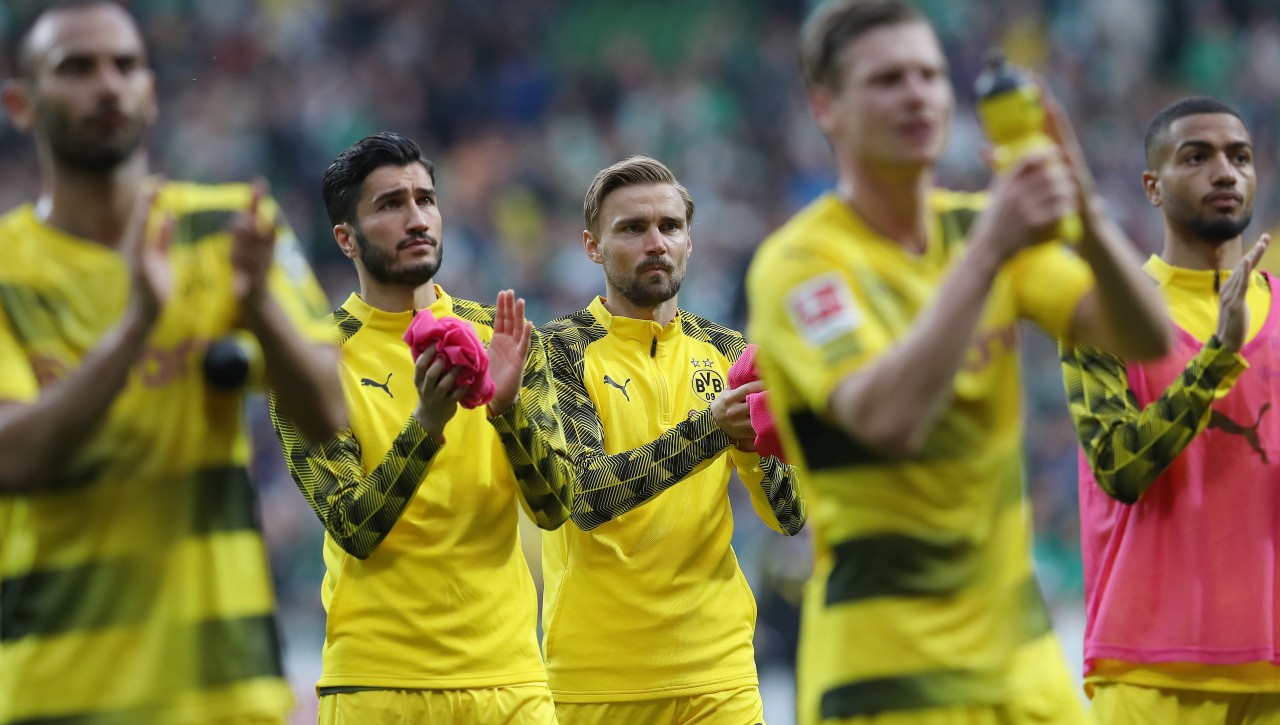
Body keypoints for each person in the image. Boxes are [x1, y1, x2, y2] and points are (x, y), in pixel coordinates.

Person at [744, 1, 1171, 723]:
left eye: (931, 75)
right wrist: (990, 254)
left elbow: (1147, 336)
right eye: (886, 80)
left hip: (1025, 664)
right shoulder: (801, 262)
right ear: (827, 108)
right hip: (888, 674)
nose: (917, 94)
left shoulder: (979, 226)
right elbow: (887, 417)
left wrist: (1087, 208)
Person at [0, 1, 345, 723]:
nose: (108, 85)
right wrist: (136, 328)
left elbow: (328, 416)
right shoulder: (5, 269)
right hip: (58, 690)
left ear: (151, 93)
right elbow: (13, 456)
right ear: (20, 103)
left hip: (225, 688)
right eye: (77, 67)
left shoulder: (232, 225)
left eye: (125, 66)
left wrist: (260, 310)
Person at [270, 131, 571, 724]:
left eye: (425, 200)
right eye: (390, 204)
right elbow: (355, 525)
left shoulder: (503, 338)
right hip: (379, 685)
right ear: (345, 238)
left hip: (509, 682)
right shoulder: (310, 359)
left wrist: (508, 413)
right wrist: (427, 424)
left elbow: (555, 505)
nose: (417, 219)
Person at [538, 154, 807, 725]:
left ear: (690, 241)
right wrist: (713, 429)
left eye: (670, 227)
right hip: (599, 682)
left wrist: (763, 442)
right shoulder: (555, 352)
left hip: (721, 672)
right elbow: (586, 498)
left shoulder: (728, 354)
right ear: (593, 246)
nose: (655, 241)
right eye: (632, 228)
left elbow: (789, 516)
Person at [1061, 97, 1280, 723]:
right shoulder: (1103, 313)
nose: (1225, 172)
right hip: (1150, 671)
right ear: (1151, 187)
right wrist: (1218, 357)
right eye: (1197, 156)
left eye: (1240, 156)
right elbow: (1119, 467)